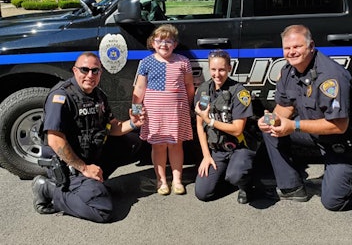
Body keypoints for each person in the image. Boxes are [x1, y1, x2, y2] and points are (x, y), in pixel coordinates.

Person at [258, 24, 352, 211]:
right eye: (287, 48)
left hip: (346, 142)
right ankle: (292, 188)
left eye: (297, 47)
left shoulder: (330, 77)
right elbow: (284, 108)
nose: (291, 52)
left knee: (334, 202)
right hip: (317, 135)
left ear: (311, 46)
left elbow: (339, 126)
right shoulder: (288, 72)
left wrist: (293, 125)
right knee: (271, 131)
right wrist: (270, 120)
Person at [32, 51, 145, 223]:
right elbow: (55, 140)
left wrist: (133, 123)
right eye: (84, 70)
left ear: (101, 73)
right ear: (75, 70)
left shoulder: (99, 96)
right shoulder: (61, 97)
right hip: (67, 164)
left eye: (95, 71)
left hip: (88, 154)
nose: (90, 75)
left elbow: (112, 126)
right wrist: (84, 168)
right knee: (103, 210)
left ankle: (92, 185)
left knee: (133, 141)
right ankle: (49, 189)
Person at [132, 24, 194, 195]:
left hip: (177, 111)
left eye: (169, 41)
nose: (164, 45)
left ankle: (177, 180)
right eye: (159, 40)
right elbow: (139, 89)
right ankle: (161, 180)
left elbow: (189, 86)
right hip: (153, 113)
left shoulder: (183, 62)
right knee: (158, 147)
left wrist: (187, 106)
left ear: (175, 44)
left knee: (176, 145)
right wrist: (136, 110)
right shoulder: (146, 62)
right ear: (152, 43)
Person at [194, 49, 255, 204]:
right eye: (213, 69)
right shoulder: (204, 90)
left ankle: (247, 185)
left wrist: (211, 121)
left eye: (221, 69)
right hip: (217, 150)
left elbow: (237, 129)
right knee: (203, 193)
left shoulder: (239, 92)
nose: (217, 74)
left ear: (230, 68)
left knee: (235, 175)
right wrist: (206, 156)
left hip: (239, 147)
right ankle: (228, 176)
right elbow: (200, 125)